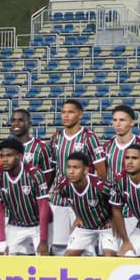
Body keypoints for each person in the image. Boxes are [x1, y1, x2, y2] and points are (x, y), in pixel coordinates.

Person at [48, 99, 104, 254]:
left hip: (83, 201)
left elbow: (101, 171)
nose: (66, 115)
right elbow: (52, 170)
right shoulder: (55, 138)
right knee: (58, 246)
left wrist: (98, 198)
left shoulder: (89, 137)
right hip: (59, 199)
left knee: (84, 245)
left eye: (70, 112)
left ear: (80, 114)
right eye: (63, 112)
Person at [0, 138, 51, 256]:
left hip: (38, 224)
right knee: (4, 255)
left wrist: (43, 240)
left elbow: (43, 208)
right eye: (2, 156)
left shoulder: (34, 174)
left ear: (20, 157)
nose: (4, 160)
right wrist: (2, 241)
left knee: (43, 257)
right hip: (15, 224)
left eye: (9, 156)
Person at [54, 151, 118, 257]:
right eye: (69, 167)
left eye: (76, 168)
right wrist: (78, 216)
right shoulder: (63, 186)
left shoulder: (100, 186)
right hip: (86, 226)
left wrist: (114, 219)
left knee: (109, 256)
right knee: (68, 256)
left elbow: (118, 200)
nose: (71, 171)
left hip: (106, 226)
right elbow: (71, 200)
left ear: (85, 170)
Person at [102, 105, 140, 182]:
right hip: (113, 193)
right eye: (115, 120)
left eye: (122, 120)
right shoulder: (107, 146)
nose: (117, 124)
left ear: (132, 122)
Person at [9, 108, 54, 181]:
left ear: (29, 124)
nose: (16, 123)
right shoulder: (5, 147)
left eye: (20, 120)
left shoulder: (41, 147)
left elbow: (48, 175)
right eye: (13, 120)